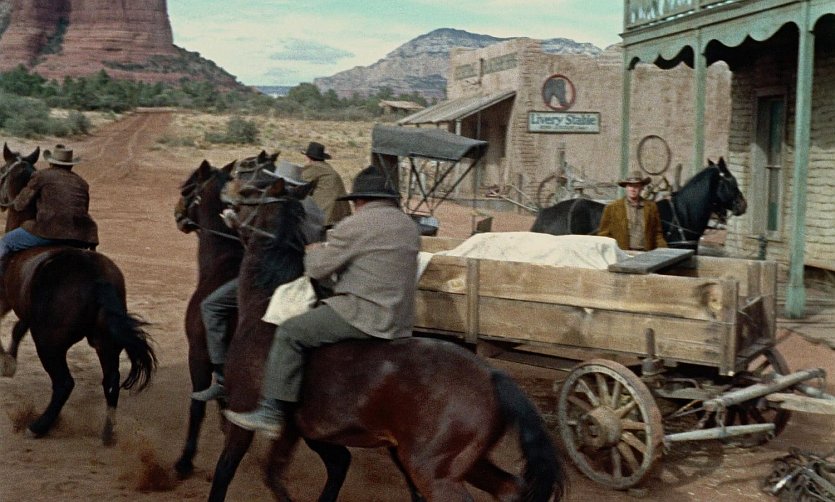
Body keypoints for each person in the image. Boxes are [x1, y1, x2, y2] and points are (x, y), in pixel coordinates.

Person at [223, 165, 420, 437]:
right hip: (400, 319)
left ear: (360, 200)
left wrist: (314, 251)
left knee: (291, 331)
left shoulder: (355, 224)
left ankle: (271, 411)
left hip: (363, 314)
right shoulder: (408, 225)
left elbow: (317, 270)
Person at [192, 161, 325, 402]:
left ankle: (221, 377)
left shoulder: (278, 205)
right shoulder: (311, 207)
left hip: (274, 276)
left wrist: (236, 225)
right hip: (302, 277)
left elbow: (261, 243)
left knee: (211, 306)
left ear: (280, 185)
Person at [0, 144, 98, 273]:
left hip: (49, 231)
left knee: (5, 243)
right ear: (71, 165)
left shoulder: (41, 175)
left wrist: (14, 200)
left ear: (51, 163)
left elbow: (20, 205)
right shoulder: (82, 183)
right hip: (81, 236)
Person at [597, 170, 667, 251]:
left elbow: (657, 234)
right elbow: (604, 235)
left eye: (636, 186)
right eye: (630, 186)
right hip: (622, 254)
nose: (633, 189)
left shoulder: (651, 207)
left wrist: (665, 251)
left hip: (645, 254)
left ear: (642, 187)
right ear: (626, 187)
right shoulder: (612, 208)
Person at [299, 141, 351, 228]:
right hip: (340, 212)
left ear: (308, 157)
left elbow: (301, 186)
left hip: (326, 212)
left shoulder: (313, 167)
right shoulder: (326, 167)